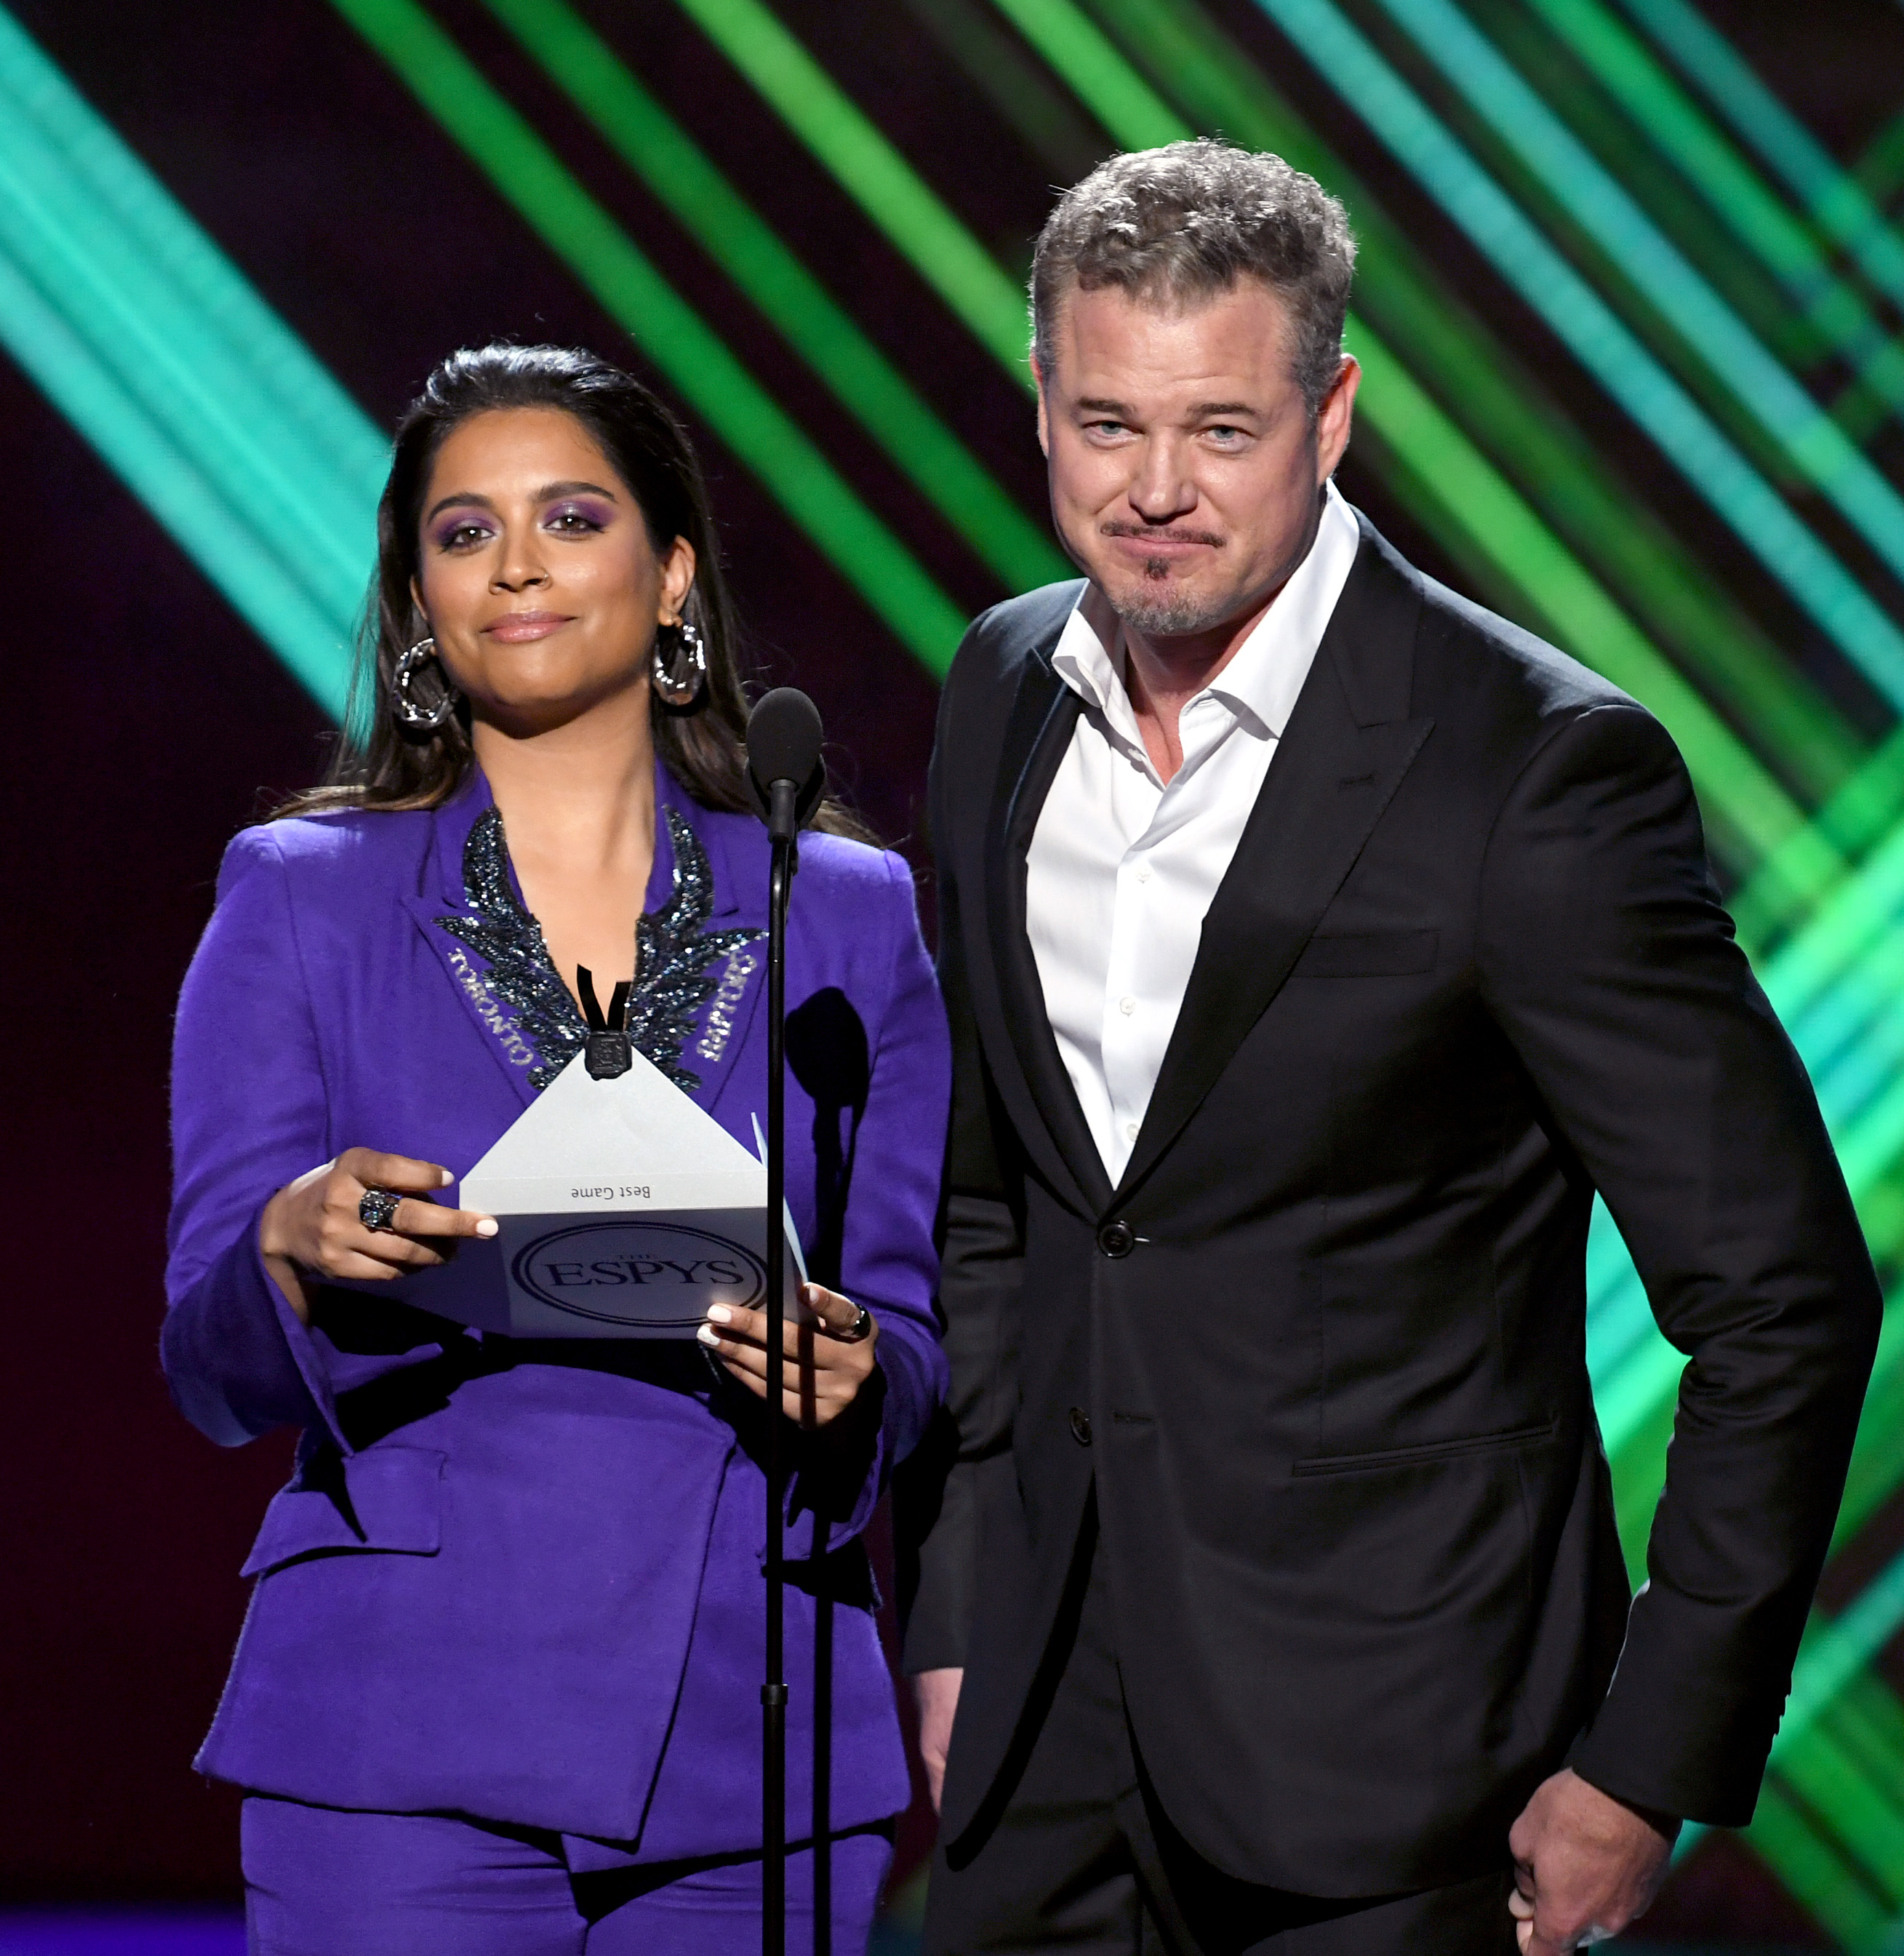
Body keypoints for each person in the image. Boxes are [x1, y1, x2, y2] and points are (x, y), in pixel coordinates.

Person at [902, 140, 1880, 1956]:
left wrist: (1645, 1754)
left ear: (1331, 415)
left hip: (1401, 1769)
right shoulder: (1000, 691)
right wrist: (959, 1604)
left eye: (1220, 430)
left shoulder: (1530, 771)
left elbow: (1781, 1293)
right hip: (1040, 1742)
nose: (1156, 492)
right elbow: (1001, 1206)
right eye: (1107, 425)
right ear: (1039, 406)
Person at [164, 343, 949, 1955]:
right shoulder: (299, 895)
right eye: (463, 534)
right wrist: (287, 1248)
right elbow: (206, 1360)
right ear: (417, 603)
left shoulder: (846, 910)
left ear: (670, 577)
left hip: (758, 1730)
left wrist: (859, 1371)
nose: (516, 564)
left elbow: (918, 1329)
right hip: (400, 1734)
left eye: (571, 517)